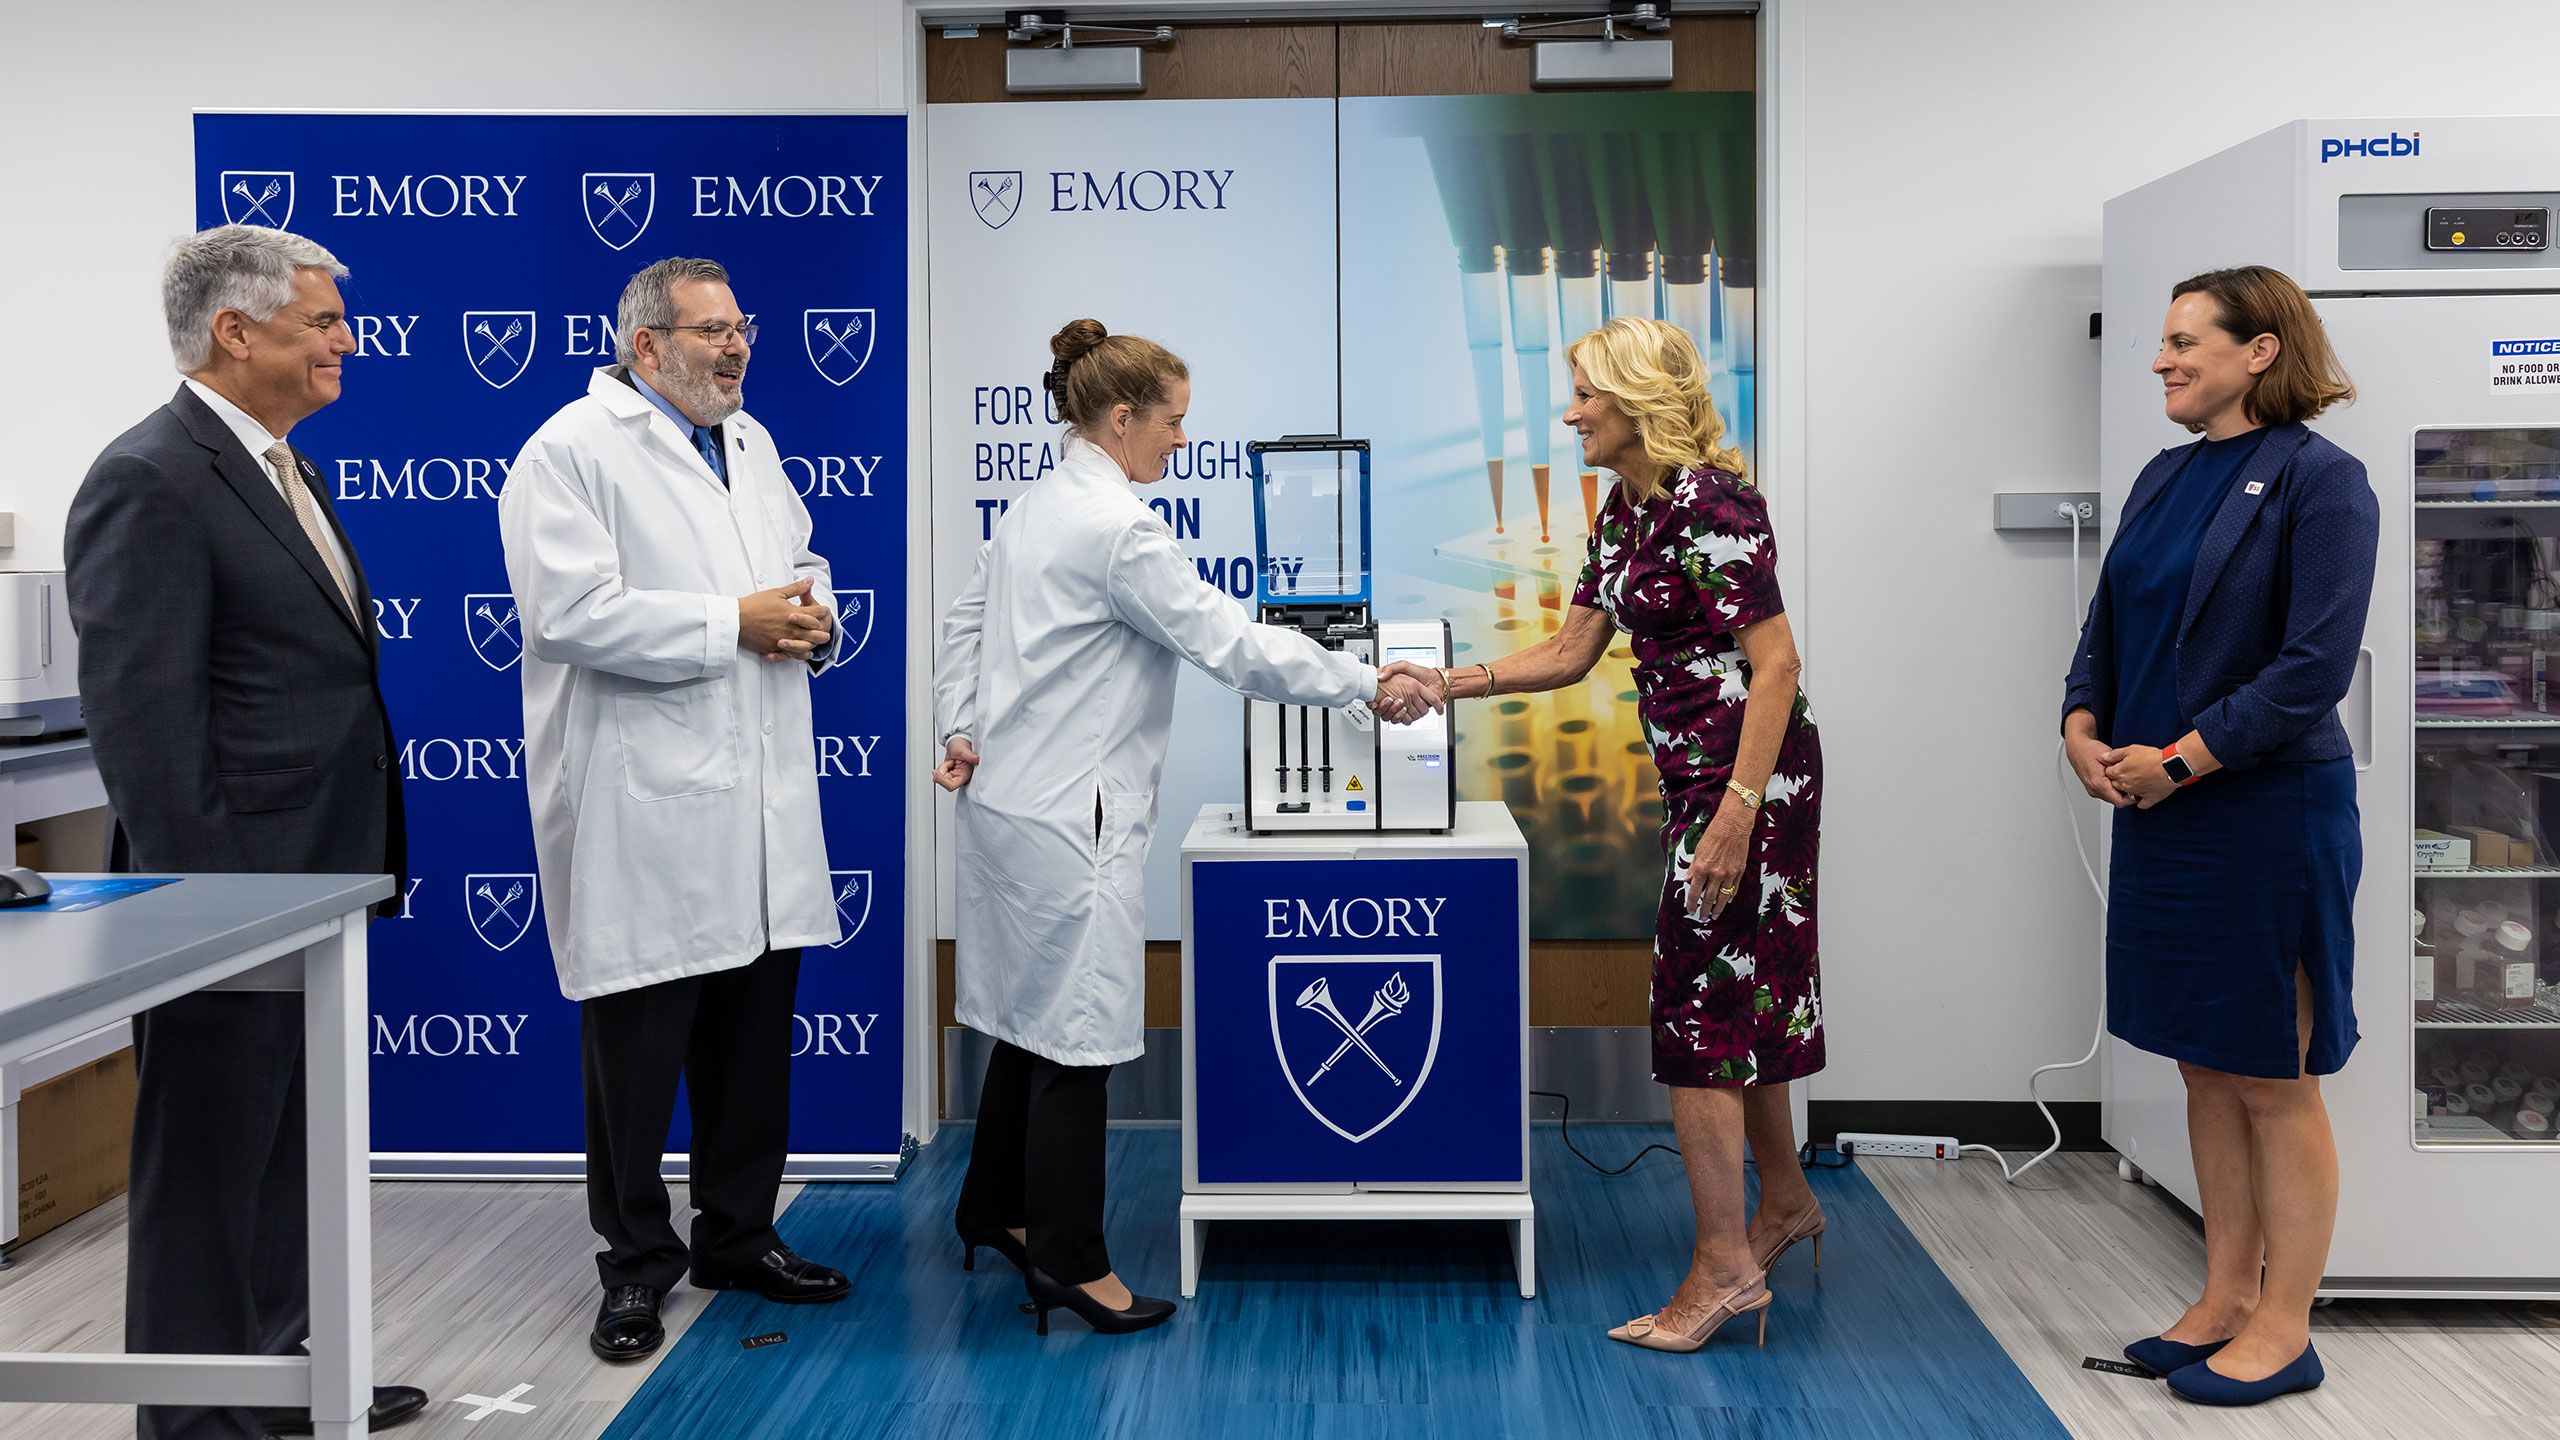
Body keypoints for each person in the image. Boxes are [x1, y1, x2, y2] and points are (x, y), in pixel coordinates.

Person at [930, 319, 1437, 1336]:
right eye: (1172, 423)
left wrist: (961, 723)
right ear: (1119, 418)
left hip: (1011, 803)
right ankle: (1073, 1264)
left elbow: (964, 623)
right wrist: (1363, 682)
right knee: (1077, 1033)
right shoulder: (1119, 528)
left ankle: (997, 1212)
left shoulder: (1039, 502)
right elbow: (1228, 643)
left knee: (1029, 1017)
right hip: (1073, 813)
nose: (1180, 443)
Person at [1387, 316, 1824, 1354]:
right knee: (1738, 999)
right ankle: (1786, 1206)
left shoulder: (1716, 504)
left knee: (1694, 1019)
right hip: (1699, 787)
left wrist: (1734, 812)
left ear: (1635, 398)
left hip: (1750, 787)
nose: (1570, 411)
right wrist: (1444, 682)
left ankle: (1723, 1269)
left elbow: (1777, 666)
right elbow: (1577, 647)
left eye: (1584, 393)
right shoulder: (1625, 512)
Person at [64, 224, 426, 1438]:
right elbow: (148, 733)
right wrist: (213, 918)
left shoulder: (275, 463)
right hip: (230, 898)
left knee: (288, 1157)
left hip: (310, 886)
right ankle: (194, 1418)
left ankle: (280, 1380)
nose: (346, 340)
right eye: (321, 321)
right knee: (210, 1169)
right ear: (236, 330)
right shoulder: (152, 476)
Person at [497, 257, 850, 1365]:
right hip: (641, 806)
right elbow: (567, 615)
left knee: (752, 1047)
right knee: (638, 1064)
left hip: (753, 800)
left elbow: (795, 563)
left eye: (742, 327)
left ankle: (740, 1237)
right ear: (646, 347)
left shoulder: (748, 442)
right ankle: (636, 1268)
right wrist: (729, 626)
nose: (738, 347)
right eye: (712, 333)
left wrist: (812, 617)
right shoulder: (571, 448)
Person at [2062, 265, 2373, 1407]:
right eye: (2161, 341)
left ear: (2259, 353)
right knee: (2203, 1062)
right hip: (2159, 807)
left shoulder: (2321, 483)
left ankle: (2284, 1327)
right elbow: (2106, 621)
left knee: (2272, 1075)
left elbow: (2311, 672)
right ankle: (2224, 1298)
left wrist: (2181, 759)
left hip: (2261, 810)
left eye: (2185, 341)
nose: (2160, 359)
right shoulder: (2161, 476)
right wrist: (2079, 723)